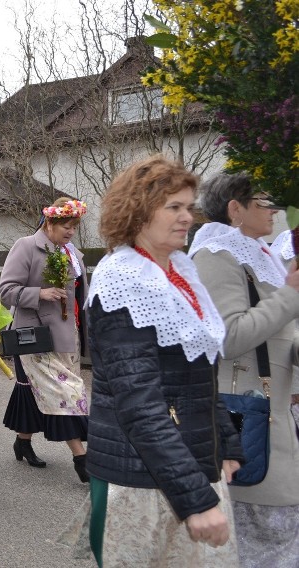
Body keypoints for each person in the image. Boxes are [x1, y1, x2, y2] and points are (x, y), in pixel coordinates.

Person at [83, 155, 243, 566]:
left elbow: (198, 370)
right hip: (139, 475)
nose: (187, 217)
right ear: (137, 211)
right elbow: (139, 404)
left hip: (188, 462)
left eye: (189, 207)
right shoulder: (123, 280)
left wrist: (226, 442)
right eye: (173, 207)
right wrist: (195, 499)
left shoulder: (179, 271)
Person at [190, 172, 299, 567]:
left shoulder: (261, 253)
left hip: (278, 412)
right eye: (262, 202)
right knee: (265, 545)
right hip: (250, 416)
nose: (273, 210)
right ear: (235, 209)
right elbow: (230, 336)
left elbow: (280, 335)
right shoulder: (217, 255)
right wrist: (290, 295)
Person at [0, 197, 90, 482]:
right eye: (65, 224)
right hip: (37, 337)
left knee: (40, 391)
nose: (71, 231)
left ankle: (22, 442)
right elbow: (6, 290)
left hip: (68, 336)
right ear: (49, 221)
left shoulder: (73, 253)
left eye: (74, 226)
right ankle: (82, 459)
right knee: (66, 394)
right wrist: (39, 293)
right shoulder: (26, 246)